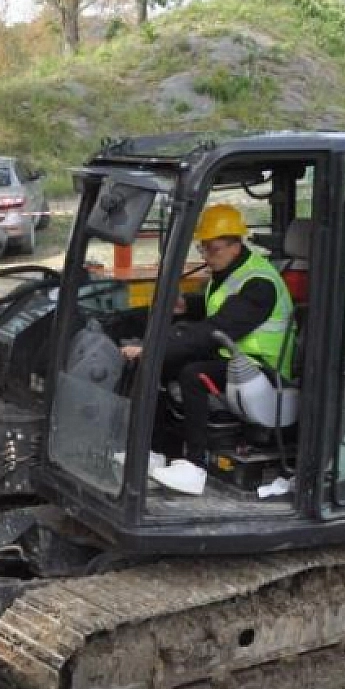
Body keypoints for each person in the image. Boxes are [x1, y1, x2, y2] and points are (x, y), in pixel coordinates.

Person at [120, 204, 295, 494]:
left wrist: (151, 348)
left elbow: (217, 329)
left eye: (213, 249)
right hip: (235, 358)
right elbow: (220, 307)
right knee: (165, 364)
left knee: (193, 374)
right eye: (203, 248)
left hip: (263, 368)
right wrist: (187, 305)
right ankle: (157, 452)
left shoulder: (259, 284)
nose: (206, 256)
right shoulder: (231, 273)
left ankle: (195, 466)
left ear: (236, 245)